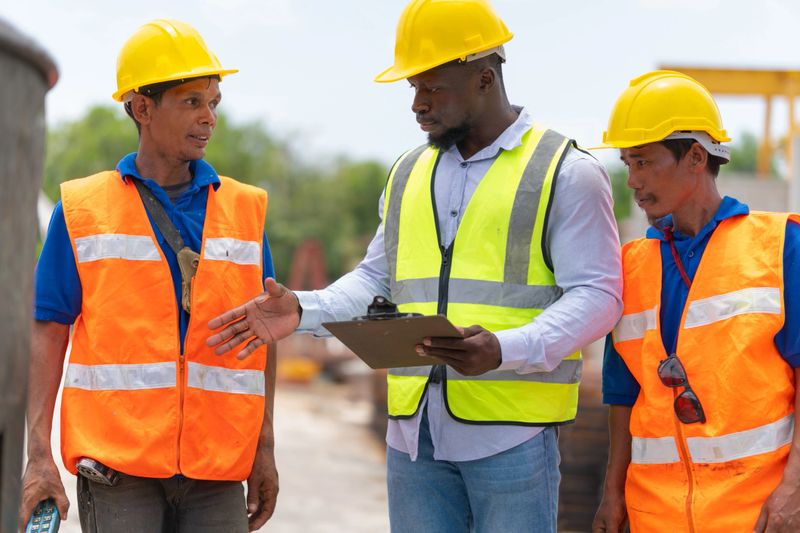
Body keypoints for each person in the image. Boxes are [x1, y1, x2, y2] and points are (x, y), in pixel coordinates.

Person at [207, 0, 621, 531]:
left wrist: (504, 348)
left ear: (484, 78)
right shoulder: (408, 172)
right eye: (413, 89)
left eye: (433, 87)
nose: (418, 105)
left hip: (512, 437)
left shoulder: (566, 172)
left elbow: (599, 294)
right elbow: (378, 278)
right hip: (414, 439)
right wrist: (305, 310)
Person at [20, 19, 278, 533]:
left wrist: (265, 448)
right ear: (141, 107)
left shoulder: (245, 210)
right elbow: (48, 331)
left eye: (214, 103)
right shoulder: (81, 210)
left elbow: (263, 335)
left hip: (217, 471)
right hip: (119, 472)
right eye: (191, 102)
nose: (209, 119)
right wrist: (38, 455)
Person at [591, 70, 800, 533]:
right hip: (654, 517)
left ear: (695, 157)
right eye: (627, 164)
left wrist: (794, 489)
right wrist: (612, 495)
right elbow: (622, 394)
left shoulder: (780, 246)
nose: (632, 180)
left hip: (756, 514)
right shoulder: (631, 266)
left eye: (643, 162)